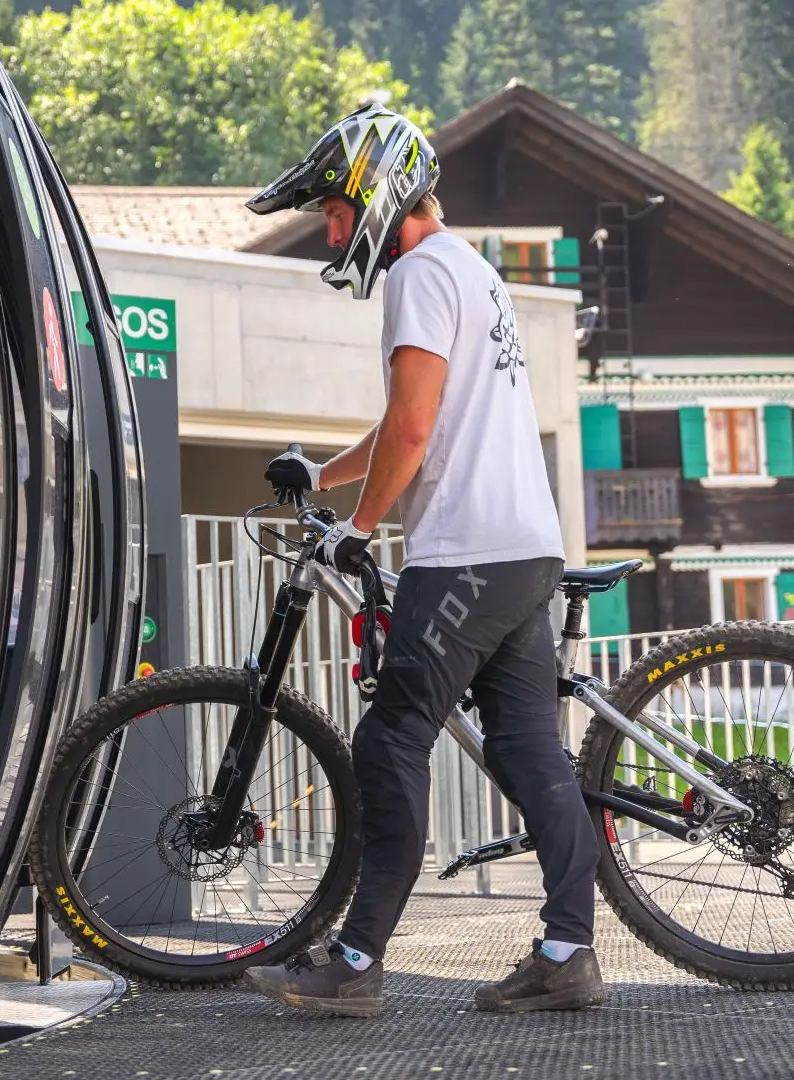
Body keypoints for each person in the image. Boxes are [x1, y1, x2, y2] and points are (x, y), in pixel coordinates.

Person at [238, 104, 605, 1017]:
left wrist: (357, 525)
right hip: (527, 549)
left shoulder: (420, 274)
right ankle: (569, 951)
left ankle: (355, 966)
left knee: (391, 735)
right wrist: (326, 474)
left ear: (378, 194)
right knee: (529, 753)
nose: (330, 230)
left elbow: (412, 426)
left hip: (469, 555)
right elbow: (421, 420)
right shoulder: (472, 270)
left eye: (334, 210)